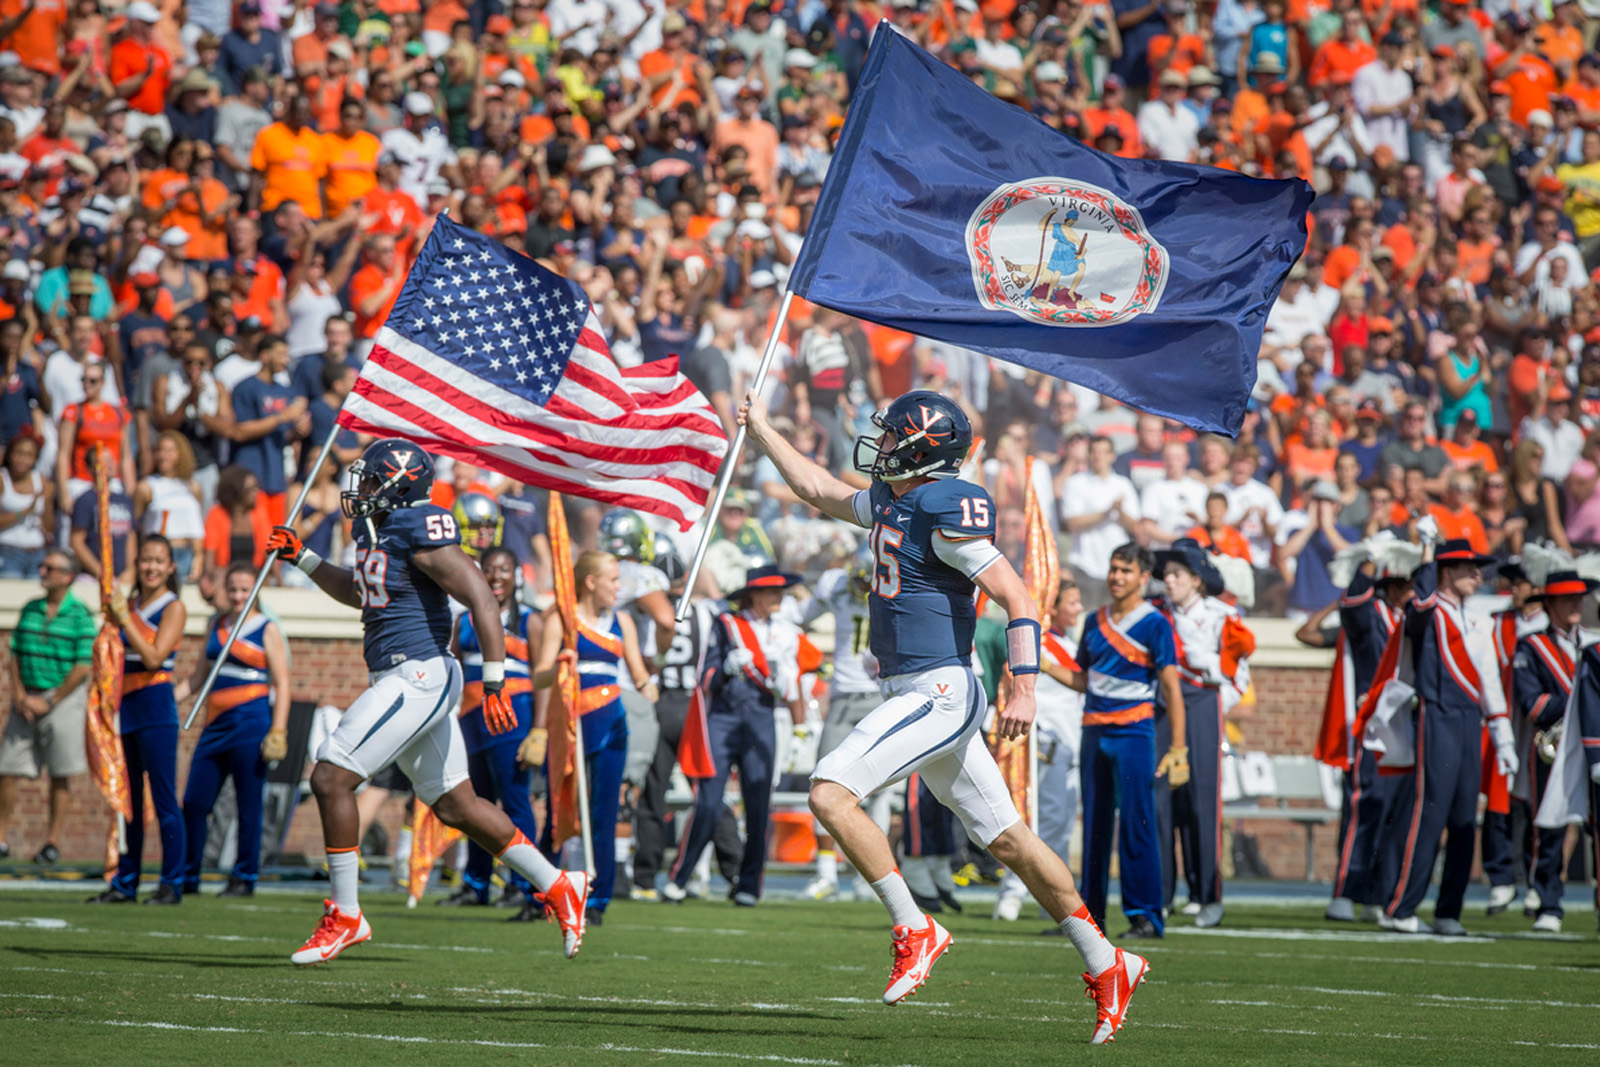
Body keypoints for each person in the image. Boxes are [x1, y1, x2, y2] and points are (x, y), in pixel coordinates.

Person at [739, 387, 1149, 1043]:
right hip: (913, 688)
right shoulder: (899, 500)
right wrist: (760, 430)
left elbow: (1016, 594)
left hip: (939, 689)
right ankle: (1108, 960)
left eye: (896, 433)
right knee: (1009, 838)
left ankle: (914, 925)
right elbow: (816, 488)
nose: (883, 443)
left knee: (829, 792)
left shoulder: (939, 502)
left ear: (926, 446)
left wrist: (1024, 683)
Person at [265, 439, 591, 964]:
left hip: (419, 673)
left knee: (329, 775)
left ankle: (346, 914)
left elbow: (481, 595)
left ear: (398, 483)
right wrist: (303, 558)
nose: (362, 488)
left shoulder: (421, 525)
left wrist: (494, 679)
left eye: (371, 478)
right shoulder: (373, 529)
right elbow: (360, 593)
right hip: (401, 674)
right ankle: (558, 883)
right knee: (457, 805)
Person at [1374, 538, 1516, 935]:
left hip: (1470, 720)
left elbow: (1488, 680)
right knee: (1429, 814)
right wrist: (1425, 553)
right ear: (1447, 572)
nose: (1478, 575)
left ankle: (1447, 911)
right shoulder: (1429, 610)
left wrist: (1503, 738)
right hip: (1436, 717)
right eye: (1469, 568)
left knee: (1464, 819)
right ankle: (1402, 907)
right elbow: (1417, 608)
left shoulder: (1479, 620)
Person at [662, 561, 801, 908]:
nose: (778, 597)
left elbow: (791, 688)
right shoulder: (727, 625)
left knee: (758, 805)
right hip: (723, 719)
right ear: (754, 595)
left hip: (761, 719)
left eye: (780, 591)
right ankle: (680, 877)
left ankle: (749, 885)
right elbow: (705, 677)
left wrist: (781, 678)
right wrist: (725, 669)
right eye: (771, 591)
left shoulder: (786, 632)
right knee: (708, 802)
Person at [530, 549, 647, 921]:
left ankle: (598, 899)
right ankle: (546, 892)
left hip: (611, 725)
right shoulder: (562, 621)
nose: (618, 586)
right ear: (591, 582)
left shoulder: (622, 622)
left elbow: (641, 675)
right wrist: (562, 662)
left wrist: (651, 684)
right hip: (569, 724)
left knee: (604, 813)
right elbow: (539, 676)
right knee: (557, 808)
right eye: (612, 580)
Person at [176, 562, 290, 896]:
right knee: (195, 802)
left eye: (246, 589)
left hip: (251, 721)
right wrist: (168, 701)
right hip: (214, 723)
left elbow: (282, 683)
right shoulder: (215, 623)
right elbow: (199, 677)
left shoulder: (267, 628)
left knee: (248, 803)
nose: (239, 596)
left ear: (256, 591)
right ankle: (188, 875)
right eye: (234, 589)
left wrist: (278, 730)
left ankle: (244, 877)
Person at [445, 546, 543, 919]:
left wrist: (539, 730)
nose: (497, 576)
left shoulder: (530, 620)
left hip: (512, 719)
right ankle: (477, 883)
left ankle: (525, 884)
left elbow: (544, 679)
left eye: (504, 569)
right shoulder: (465, 620)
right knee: (475, 805)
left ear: (516, 576)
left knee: (516, 802)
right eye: (489, 570)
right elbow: (452, 667)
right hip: (471, 718)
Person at [89, 534, 187, 904]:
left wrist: (124, 617)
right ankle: (125, 881)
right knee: (127, 802)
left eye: (159, 561)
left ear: (171, 567)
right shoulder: (128, 604)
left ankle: (171, 882)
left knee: (163, 799)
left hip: (156, 706)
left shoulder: (172, 607)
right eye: (146, 560)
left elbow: (153, 656)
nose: (151, 567)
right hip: (125, 706)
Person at [1321, 548, 1415, 923]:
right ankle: (1346, 891)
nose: (1414, 591)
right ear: (1392, 585)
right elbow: (1353, 600)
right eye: (1408, 584)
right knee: (1366, 807)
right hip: (1372, 726)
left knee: (1397, 813)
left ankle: (1380, 893)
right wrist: (1371, 559)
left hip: (1404, 725)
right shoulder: (1373, 614)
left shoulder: (1410, 618)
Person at [799, 546, 893, 901]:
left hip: (880, 699)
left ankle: (870, 877)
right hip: (841, 699)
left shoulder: (893, 587)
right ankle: (826, 873)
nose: (861, 587)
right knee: (823, 784)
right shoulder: (834, 584)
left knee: (877, 793)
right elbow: (804, 615)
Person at [1151, 540, 1235, 928]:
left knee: (1203, 801)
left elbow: (1236, 674)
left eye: (1177, 575)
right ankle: (1160, 894)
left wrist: (1208, 664)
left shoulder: (1223, 616)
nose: (1169, 582)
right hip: (1162, 706)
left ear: (1196, 581)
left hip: (1202, 704)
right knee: (1159, 801)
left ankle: (1208, 896)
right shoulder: (1154, 614)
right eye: (1166, 575)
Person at [1509, 570, 1596, 934]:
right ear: (1549, 605)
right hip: (1554, 747)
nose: (1576, 604)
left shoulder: (1591, 645)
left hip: (1591, 744)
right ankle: (1548, 902)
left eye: (1578, 598)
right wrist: (1581, 701)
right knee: (1550, 826)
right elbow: (1534, 704)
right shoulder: (1531, 646)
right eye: (1566, 599)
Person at [996, 578, 1085, 924]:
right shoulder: (1039, 643)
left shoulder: (1068, 643)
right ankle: (1012, 893)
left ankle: (1057, 897)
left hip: (1071, 743)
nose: (1077, 609)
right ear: (1055, 606)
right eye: (1072, 602)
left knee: (1061, 826)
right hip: (1045, 743)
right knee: (1034, 824)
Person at [0, 549, 94, 863]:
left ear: (68, 576)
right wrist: (20, 695)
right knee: (7, 768)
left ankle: (52, 842)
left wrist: (50, 700)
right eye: (42, 565)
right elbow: (14, 654)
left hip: (62, 699)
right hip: (26, 696)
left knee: (61, 771)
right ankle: (1, 837)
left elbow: (82, 666)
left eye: (50, 568)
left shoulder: (80, 614)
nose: (43, 571)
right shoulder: (30, 608)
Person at [0, 429, 49, 578]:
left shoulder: (41, 480)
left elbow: (49, 524)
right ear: (10, 454)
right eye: (19, 453)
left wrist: (48, 504)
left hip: (37, 553)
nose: (23, 459)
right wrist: (25, 511)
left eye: (29, 455)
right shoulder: (3, 479)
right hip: (9, 552)